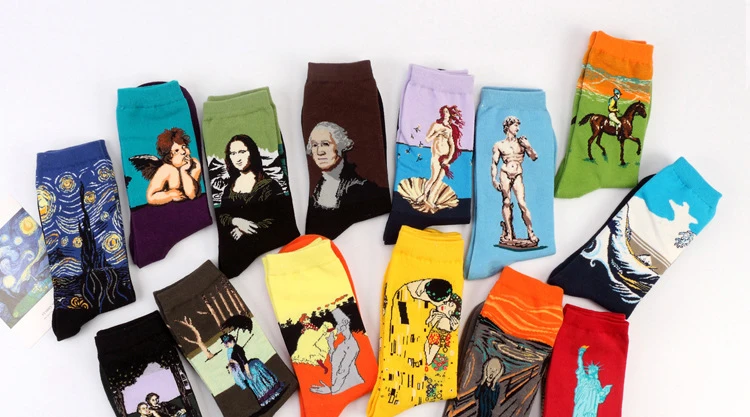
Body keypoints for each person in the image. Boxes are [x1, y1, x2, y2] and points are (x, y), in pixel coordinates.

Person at [218, 135, 287, 241]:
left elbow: (278, 218)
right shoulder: (229, 189)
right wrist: (236, 221)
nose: (238, 158)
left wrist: (244, 230)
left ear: (252, 152)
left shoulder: (269, 185)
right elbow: (222, 216)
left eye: (242, 152)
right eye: (233, 153)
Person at [306, 121, 386, 211]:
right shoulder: (317, 189)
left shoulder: (360, 188)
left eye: (325, 144)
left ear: (340, 146)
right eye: (314, 145)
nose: (319, 152)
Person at [491, 116, 539, 246]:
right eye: (515, 125)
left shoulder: (522, 142)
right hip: (504, 173)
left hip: (517, 174)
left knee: (522, 203)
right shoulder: (499, 144)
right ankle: (509, 232)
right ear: (508, 126)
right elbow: (494, 163)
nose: (518, 128)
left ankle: (531, 232)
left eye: (518, 125)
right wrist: (494, 179)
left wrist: (528, 146)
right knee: (506, 202)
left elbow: (534, 157)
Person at [222, 334, 286, 407]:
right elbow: (239, 361)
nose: (225, 345)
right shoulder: (236, 348)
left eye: (226, 343)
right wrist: (232, 362)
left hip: (248, 369)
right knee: (260, 382)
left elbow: (244, 362)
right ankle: (272, 396)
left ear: (230, 342)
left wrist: (248, 373)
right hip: (247, 368)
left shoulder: (236, 350)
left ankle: (272, 395)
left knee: (258, 382)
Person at [419, 105, 464, 209]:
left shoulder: (450, 129)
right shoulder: (436, 125)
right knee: (433, 177)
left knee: (439, 180)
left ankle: (430, 200)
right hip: (436, 156)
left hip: (446, 158)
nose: (445, 113)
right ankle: (424, 196)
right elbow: (427, 139)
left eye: (447, 112)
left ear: (450, 114)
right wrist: (438, 133)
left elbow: (452, 145)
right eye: (443, 111)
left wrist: (449, 158)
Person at [310, 308, 364, 395]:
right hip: (339, 387)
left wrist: (332, 389)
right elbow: (334, 361)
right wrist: (331, 345)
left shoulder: (352, 345)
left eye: (337, 324)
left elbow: (344, 369)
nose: (335, 328)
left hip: (350, 385)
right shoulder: (342, 344)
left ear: (345, 322)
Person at [145, 128, 202, 205]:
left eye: (184, 146)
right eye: (176, 151)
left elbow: (192, 195)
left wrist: (184, 171)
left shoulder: (195, 164)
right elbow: (150, 197)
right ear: (169, 157)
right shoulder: (166, 169)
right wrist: (170, 195)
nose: (183, 152)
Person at [424, 292, 461, 367]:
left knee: (429, 358)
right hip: (433, 336)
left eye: (450, 312)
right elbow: (428, 324)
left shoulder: (445, 320)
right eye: (448, 304)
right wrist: (430, 318)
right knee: (427, 350)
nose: (446, 307)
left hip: (438, 339)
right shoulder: (437, 315)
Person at [573, 345, 612, 417]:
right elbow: (580, 365)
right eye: (590, 369)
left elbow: (600, 398)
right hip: (582, 403)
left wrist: (605, 391)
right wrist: (580, 354)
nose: (591, 370)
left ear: (596, 371)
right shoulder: (583, 377)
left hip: (591, 408)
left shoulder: (597, 382)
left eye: (593, 369)